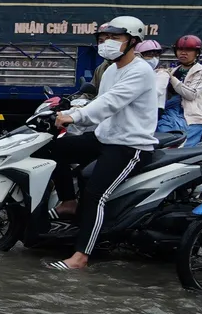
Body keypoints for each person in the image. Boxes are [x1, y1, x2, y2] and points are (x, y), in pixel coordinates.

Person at [45, 16, 158, 271]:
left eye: (115, 38)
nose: (107, 43)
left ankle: (80, 257)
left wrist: (74, 116)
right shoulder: (110, 70)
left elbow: (110, 102)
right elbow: (98, 106)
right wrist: (69, 115)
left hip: (130, 146)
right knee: (54, 149)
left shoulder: (140, 71)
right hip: (104, 138)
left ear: (133, 41)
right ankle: (68, 203)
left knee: (96, 194)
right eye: (104, 38)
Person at [158, 35, 202, 147]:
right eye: (180, 49)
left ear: (197, 53)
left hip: (191, 119)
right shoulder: (174, 71)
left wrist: (172, 79)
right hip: (170, 115)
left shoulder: (201, 71)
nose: (183, 53)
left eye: (189, 50)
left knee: (181, 151)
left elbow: (191, 94)